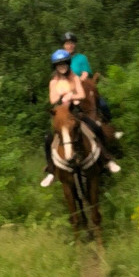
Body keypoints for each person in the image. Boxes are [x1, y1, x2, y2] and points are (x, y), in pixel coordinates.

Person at [40, 49, 121, 187]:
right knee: (48, 138)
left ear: (67, 64)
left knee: (95, 127)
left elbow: (82, 95)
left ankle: (107, 159)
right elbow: (53, 99)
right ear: (55, 67)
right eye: (59, 65)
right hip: (60, 114)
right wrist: (62, 97)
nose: (62, 67)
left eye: (64, 64)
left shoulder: (75, 78)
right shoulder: (53, 82)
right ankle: (51, 171)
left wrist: (71, 96)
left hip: (75, 111)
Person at [62, 32, 112, 122]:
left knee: (103, 105)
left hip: (83, 88)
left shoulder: (82, 58)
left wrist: (78, 82)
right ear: (64, 45)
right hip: (68, 93)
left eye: (72, 43)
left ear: (75, 45)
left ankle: (108, 123)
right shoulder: (61, 62)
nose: (70, 45)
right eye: (67, 43)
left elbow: (85, 74)